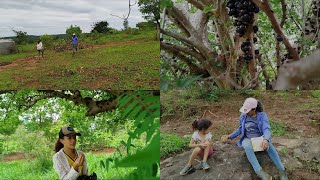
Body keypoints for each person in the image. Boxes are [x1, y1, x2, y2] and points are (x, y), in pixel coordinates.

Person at [221, 97, 288, 180]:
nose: (245, 112)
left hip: (259, 139)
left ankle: (282, 171)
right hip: (247, 139)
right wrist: (230, 136)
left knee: (269, 146)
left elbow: (266, 129)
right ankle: (260, 172)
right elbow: (240, 129)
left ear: (254, 109)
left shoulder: (262, 115)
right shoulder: (243, 116)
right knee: (247, 146)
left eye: (247, 110)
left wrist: (266, 139)